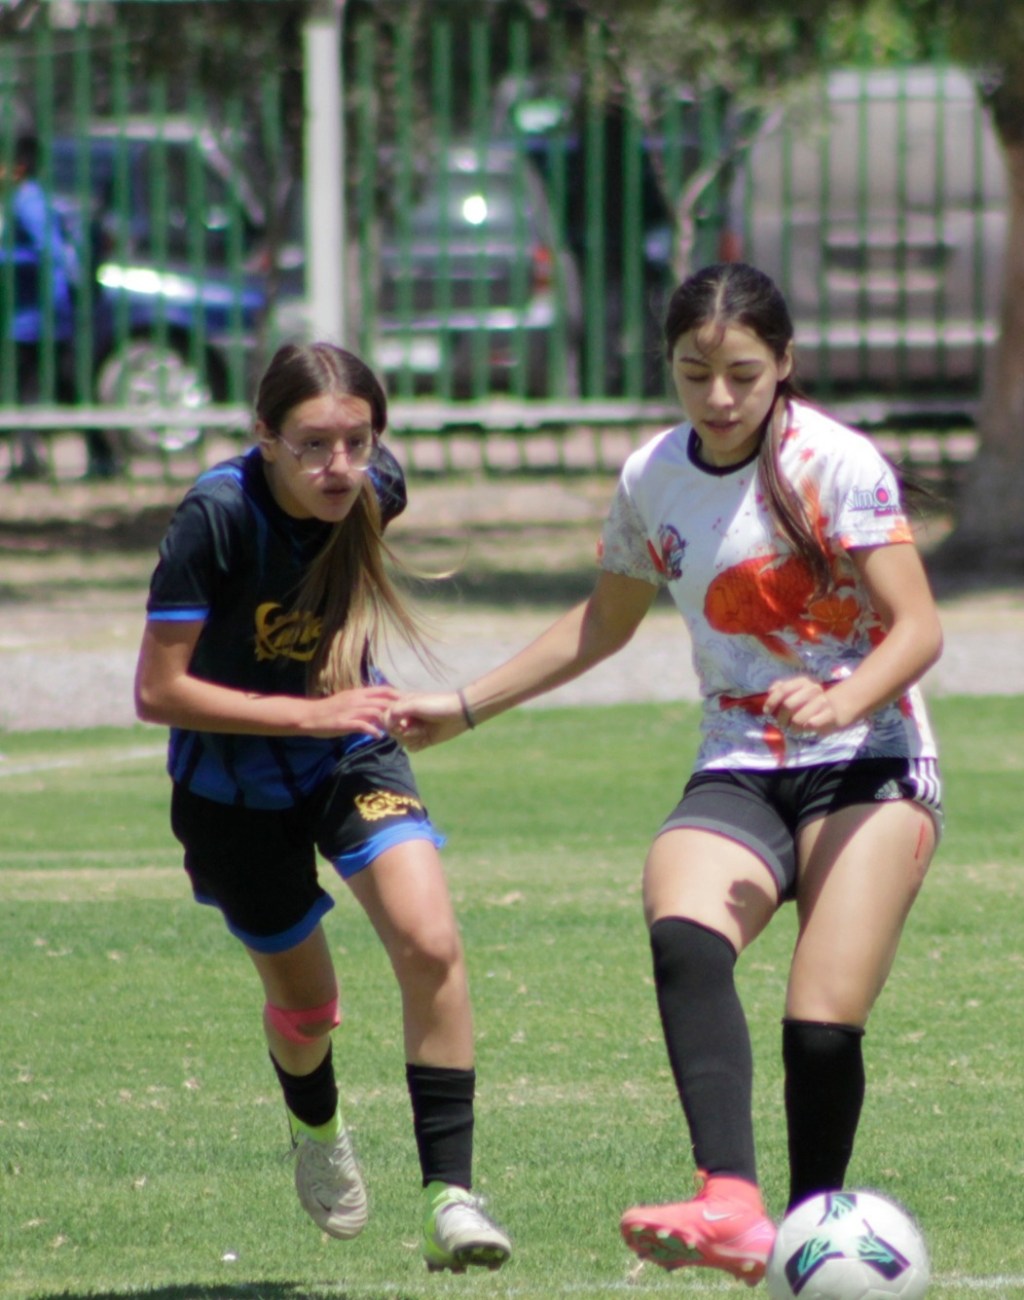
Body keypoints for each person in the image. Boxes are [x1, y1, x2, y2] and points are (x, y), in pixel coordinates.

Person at [392, 262, 943, 1285]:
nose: (719, 398)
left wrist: (845, 696)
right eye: (695, 374)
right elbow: (602, 623)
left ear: (784, 363)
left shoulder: (835, 462)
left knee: (820, 1027)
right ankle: (731, 1203)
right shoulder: (652, 474)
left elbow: (918, 630)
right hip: (739, 761)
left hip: (868, 760)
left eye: (742, 374)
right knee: (684, 931)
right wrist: (463, 707)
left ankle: (806, 1239)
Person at [134, 341, 511, 1274]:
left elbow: (358, 541)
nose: (339, 467)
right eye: (311, 445)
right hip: (230, 790)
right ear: (264, 436)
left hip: (349, 752)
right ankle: (317, 1128)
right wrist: (307, 712)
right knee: (306, 1012)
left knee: (430, 942)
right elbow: (158, 692)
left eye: (357, 442)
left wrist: (335, 708)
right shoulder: (216, 519)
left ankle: (451, 1199)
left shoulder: (375, 488)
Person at [1, 132, 76, 480]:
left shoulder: (26, 201)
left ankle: (31, 457)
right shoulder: (32, 198)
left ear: (17, 167)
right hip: (39, 313)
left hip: (33, 316)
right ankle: (30, 456)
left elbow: (48, 252)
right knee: (35, 387)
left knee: (28, 387)